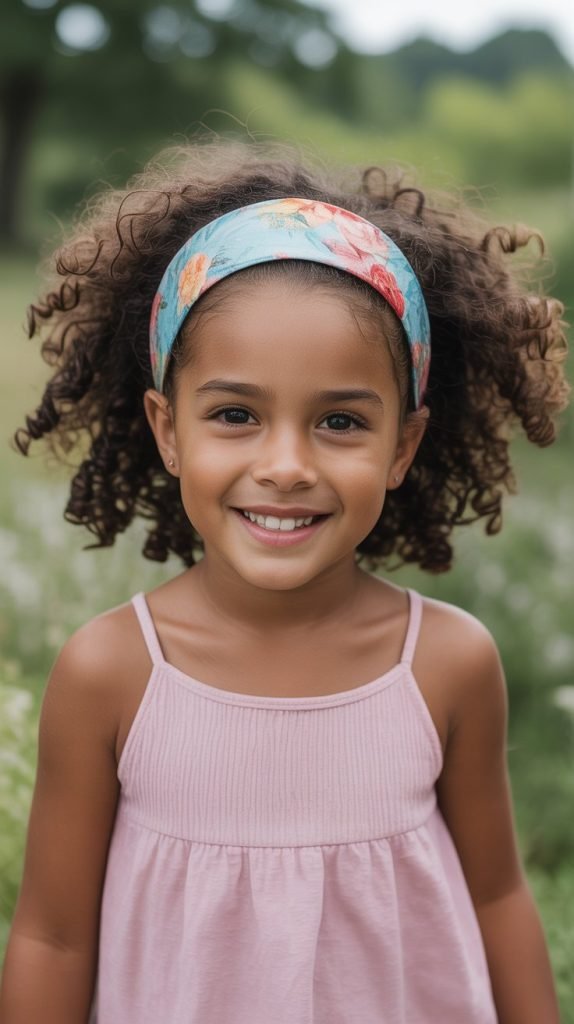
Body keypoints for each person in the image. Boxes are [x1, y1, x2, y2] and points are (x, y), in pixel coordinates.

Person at [0, 140, 568, 1024]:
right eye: (236, 414)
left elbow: (497, 896)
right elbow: (53, 938)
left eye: (340, 422)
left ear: (403, 446)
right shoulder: (111, 673)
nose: (287, 465)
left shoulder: (447, 664)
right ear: (168, 429)